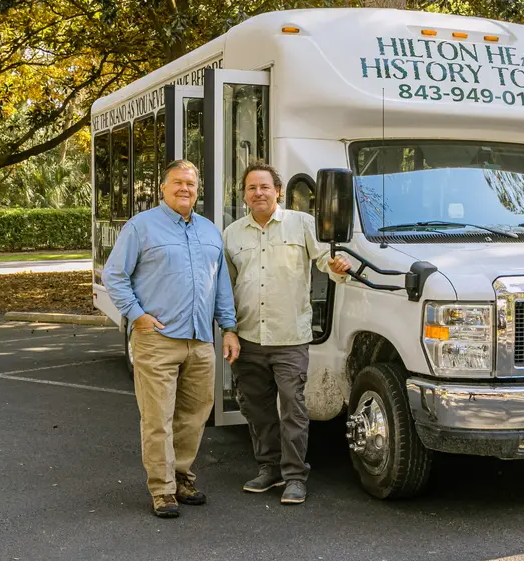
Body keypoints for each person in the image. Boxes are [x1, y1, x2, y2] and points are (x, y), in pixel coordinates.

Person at [103, 159, 240, 518]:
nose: (185, 189)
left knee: (194, 416)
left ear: (198, 191)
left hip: (200, 340)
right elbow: (115, 275)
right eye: (178, 182)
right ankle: (162, 490)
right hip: (157, 339)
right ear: (163, 187)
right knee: (158, 417)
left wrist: (228, 327)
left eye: (191, 184)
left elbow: (220, 284)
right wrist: (137, 315)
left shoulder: (210, 231)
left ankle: (182, 477)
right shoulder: (141, 227)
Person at [223, 162, 352, 505]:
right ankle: (269, 469)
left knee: (293, 409)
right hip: (248, 338)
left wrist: (338, 267)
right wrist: (228, 330)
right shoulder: (232, 234)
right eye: (251, 188)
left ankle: (295, 476)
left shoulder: (302, 224)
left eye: (265, 187)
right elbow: (226, 287)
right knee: (257, 408)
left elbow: (327, 261)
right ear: (245, 195)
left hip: (290, 338)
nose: (258, 193)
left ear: (278, 191)